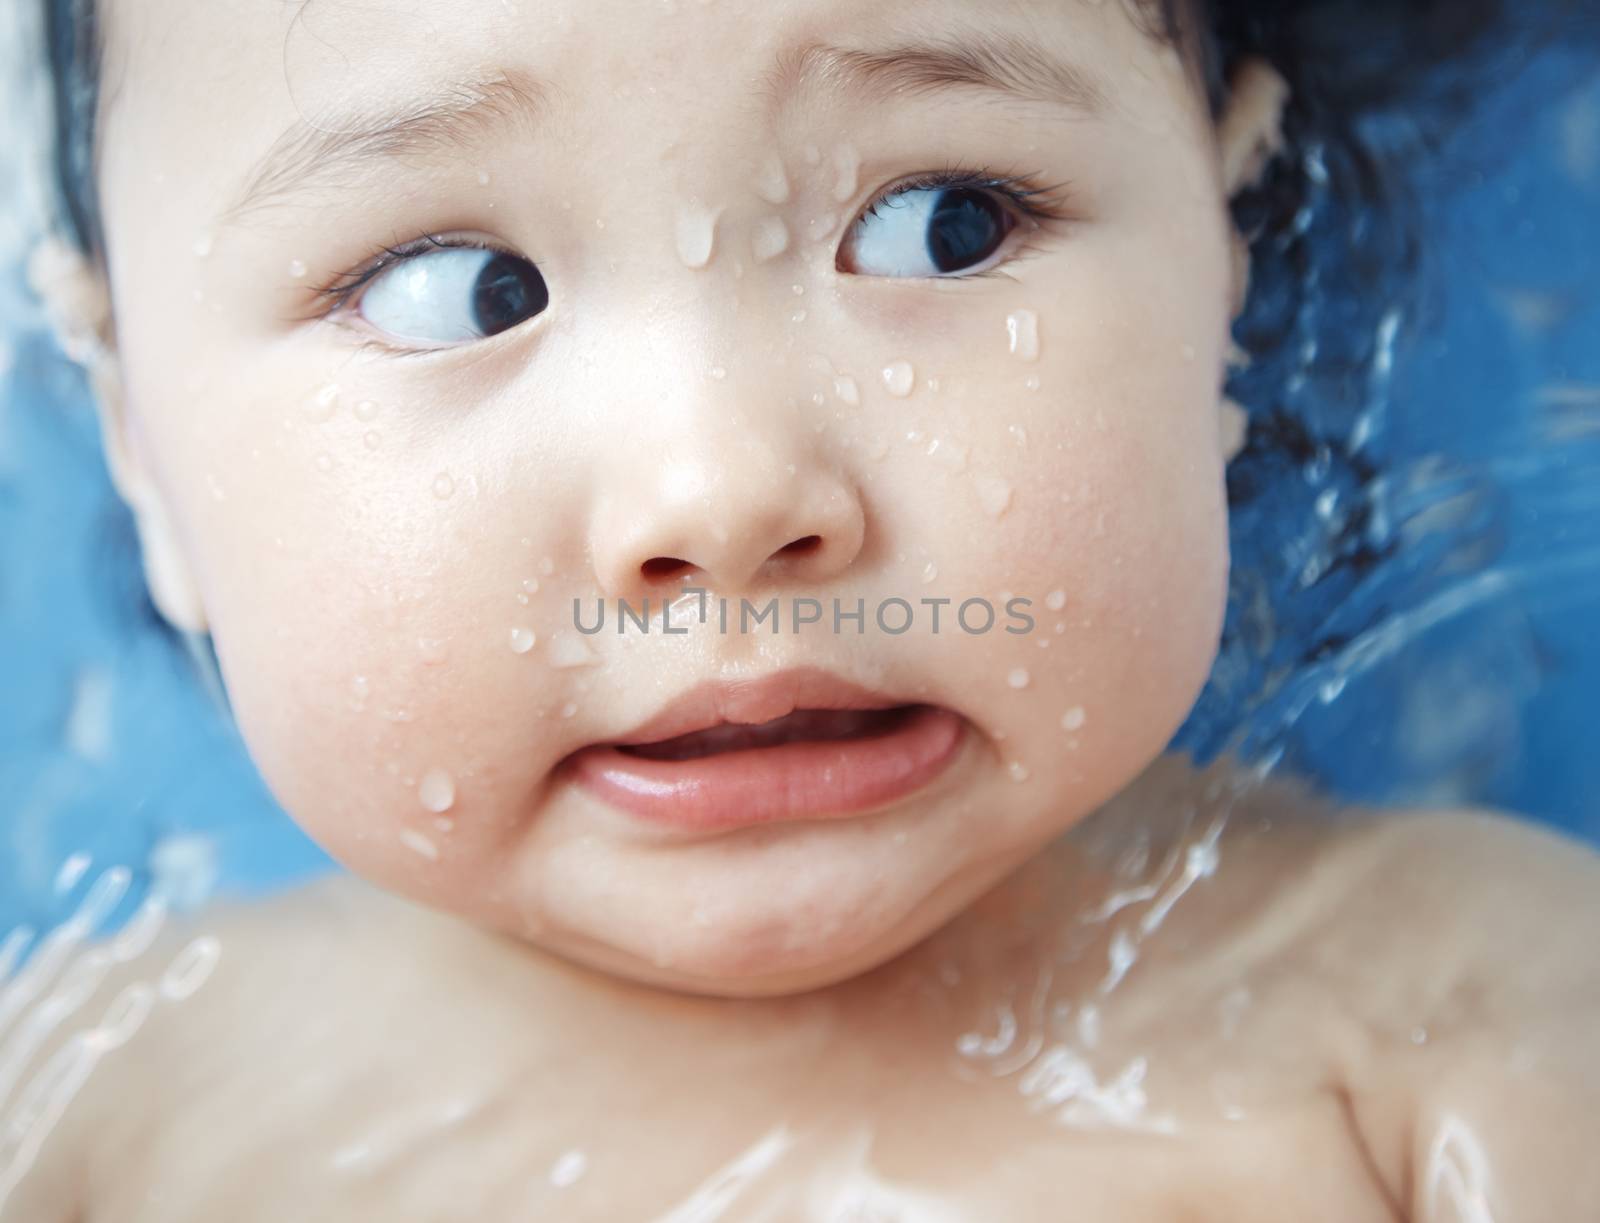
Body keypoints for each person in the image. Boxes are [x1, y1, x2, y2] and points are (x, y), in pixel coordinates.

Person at [5, 0, 1598, 1217]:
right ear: (141, 436)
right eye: (457, 286)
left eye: (942, 222)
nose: (726, 496)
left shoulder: (1461, 1018)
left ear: (1227, 262)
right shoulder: (91, 1117)